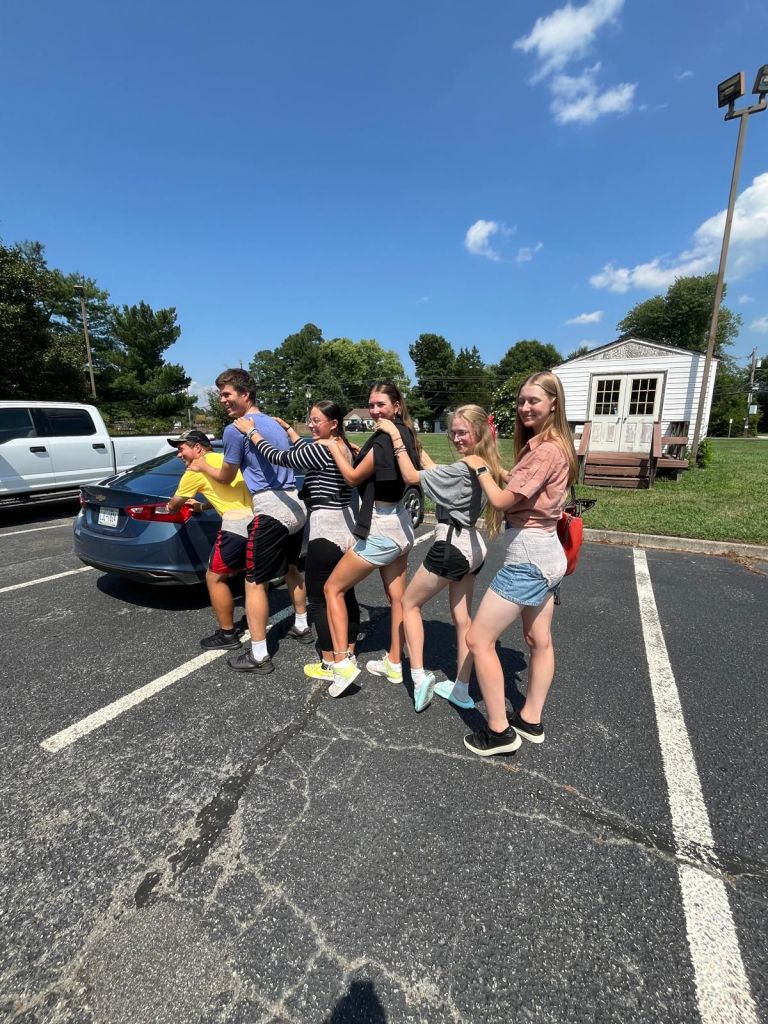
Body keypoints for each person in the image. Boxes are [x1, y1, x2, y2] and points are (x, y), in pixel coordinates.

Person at [461, 372, 577, 756]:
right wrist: (499, 471)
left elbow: (501, 501)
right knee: (538, 640)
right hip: (548, 555)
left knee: (478, 639)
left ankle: (499, 732)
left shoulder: (545, 450)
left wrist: (479, 466)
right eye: (522, 401)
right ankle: (530, 718)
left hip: (528, 559)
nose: (526, 407)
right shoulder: (554, 445)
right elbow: (523, 486)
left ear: (553, 403)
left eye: (534, 401)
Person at [374, 405, 505, 712]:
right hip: (473, 547)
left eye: (463, 433)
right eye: (453, 432)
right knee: (463, 619)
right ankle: (461, 689)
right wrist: (413, 441)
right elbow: (433, 470)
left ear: (479, 432)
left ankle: (419, 678)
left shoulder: (462, 469)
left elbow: (411, 476)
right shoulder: (482, 463)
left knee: (409, 604)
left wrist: (395, 436)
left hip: (451, 545)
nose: (456, 438)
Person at [188, 369, 309, 675]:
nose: (222, 400)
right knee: (292, 569)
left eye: (227, 394)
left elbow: (227, 477)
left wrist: (202, 466)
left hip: (270, 508)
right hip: (294, 504)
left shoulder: (235, 430)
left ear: (245, 394)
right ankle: (302, 625)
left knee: (254, 582)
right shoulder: (275, 423)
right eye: (221, 395)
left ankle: (258, 655)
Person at [231, 401, 360, 682]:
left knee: (320, 598)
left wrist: (252, 432)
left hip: (326, 529)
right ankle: (349, 651)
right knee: (345, 592)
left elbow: (279, 457)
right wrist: (290, 430)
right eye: (309, 420)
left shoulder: (321, 448)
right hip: (348, 526)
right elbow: (305, 451)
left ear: (333, 424)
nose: (311, 425)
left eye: (316, 421)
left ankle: (330, 662)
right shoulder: (344, 447)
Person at [320, 382, 421, 698]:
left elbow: (352, 478)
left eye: (381, 404)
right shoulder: (406, 433)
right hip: (402, 526)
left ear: (396, 405)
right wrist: (356, 452)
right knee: (398, 599)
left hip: (381, 529)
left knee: (332, 589)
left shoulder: (383, 438)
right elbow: (380, 466)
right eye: (372, 404)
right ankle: (394, 662)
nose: (375, 410)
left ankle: (342, 664)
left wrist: (334, 448)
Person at [164, 429, 254, 650]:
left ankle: (228, 635)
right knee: (252, 576)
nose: (179, 455)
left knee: (214, 578)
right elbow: (227, 491)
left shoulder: (195, 469)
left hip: (235, 526)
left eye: (181, 449)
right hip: (258, 523)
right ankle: (253, 619)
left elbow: (175, 504)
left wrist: (169, 507)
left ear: (197, 448)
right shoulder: (227, 461)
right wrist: (203, 506)